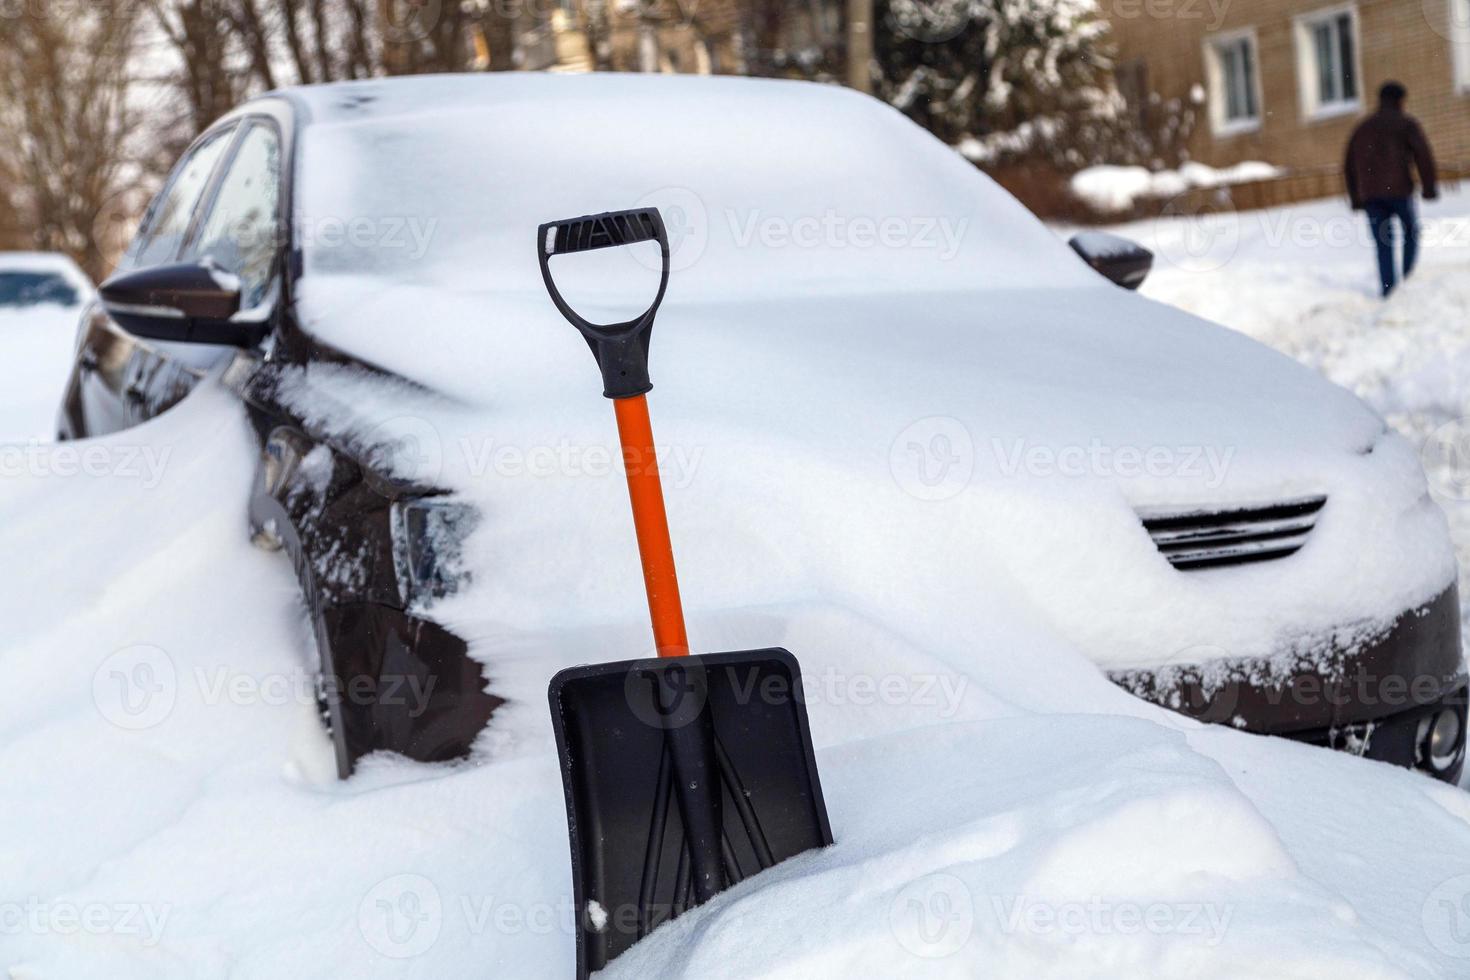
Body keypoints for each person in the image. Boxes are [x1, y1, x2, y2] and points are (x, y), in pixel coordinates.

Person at [1345, 81, 1439, 297]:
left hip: (1371, 196)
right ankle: (1407, 281)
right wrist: (1429, 188)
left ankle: (1389, 290)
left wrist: (1356, 198)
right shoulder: (1405, 123)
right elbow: (1422, 155)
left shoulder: (1362, 128)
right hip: (1399, 191)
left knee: (1383, 243)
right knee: (1411, 233)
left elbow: (1349, 165)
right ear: (1400, 100)